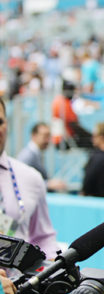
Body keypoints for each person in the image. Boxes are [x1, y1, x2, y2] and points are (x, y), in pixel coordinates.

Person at [0, 99, 60, 259]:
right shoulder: (29, 155)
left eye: (0, 122)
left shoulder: (30, 178)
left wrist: (51, 264)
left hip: (19, 282)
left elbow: (43, 238)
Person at [17, 122, 67, 193]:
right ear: (34, 136)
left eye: (49, 137)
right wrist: (48, 184)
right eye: (45, 136)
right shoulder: (27, 156)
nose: (48, 140)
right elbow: (20, 180)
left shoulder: (36, 154)